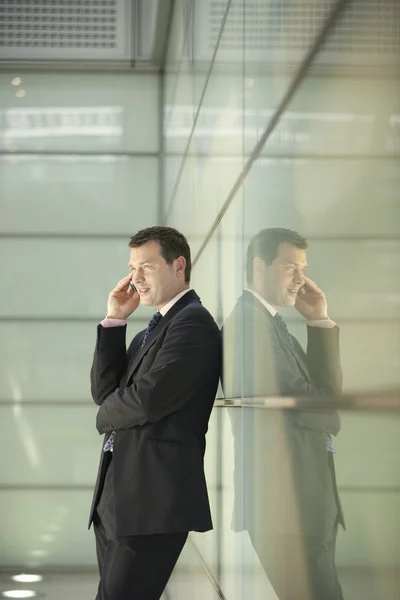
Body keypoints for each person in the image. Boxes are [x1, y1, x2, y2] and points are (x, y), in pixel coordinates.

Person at [88, 226, 221, 600]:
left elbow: (148, 400)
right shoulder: (151, 331)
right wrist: (115, 320)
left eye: (145, 266)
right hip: (120, 496)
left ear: (178, 266)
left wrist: (105, 417)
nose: (135, 278)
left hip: (153, 501)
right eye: (132, 267)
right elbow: (104, 391)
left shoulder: (192, 323)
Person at [223, 228, 345, 600]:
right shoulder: (249, 324)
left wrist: (319, 321)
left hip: (299, 503)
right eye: (290, 266)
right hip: (286, 506)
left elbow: (322, 398)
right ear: (259, 266)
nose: (301, 278)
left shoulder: (268, 322)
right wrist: (331, 416)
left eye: (303, 268)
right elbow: (304, 404)